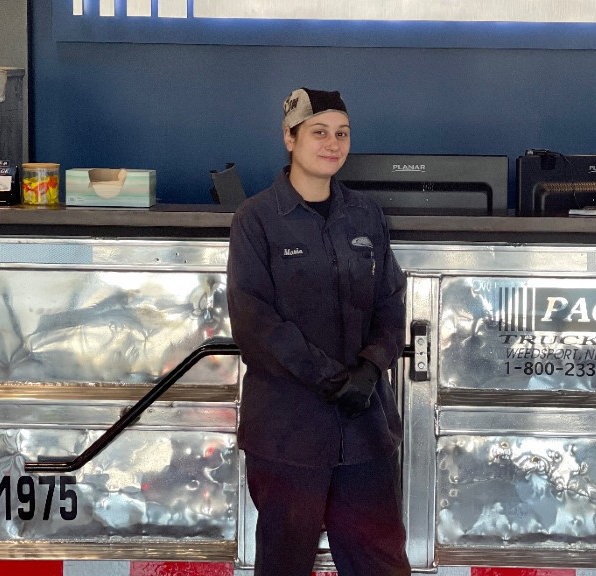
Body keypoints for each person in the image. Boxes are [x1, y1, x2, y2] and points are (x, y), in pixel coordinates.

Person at [226, 87, 411, 576]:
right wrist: (334, 381)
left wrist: (371, 369)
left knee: (381, 563)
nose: (333, 144)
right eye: (319, 132)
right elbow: (254, 321)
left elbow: (391, 302)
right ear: (289, 138)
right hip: (288, 434)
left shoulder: (366, 216)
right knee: (284, 565)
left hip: (364, 429)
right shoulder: (257, 220)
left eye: (342, 133)